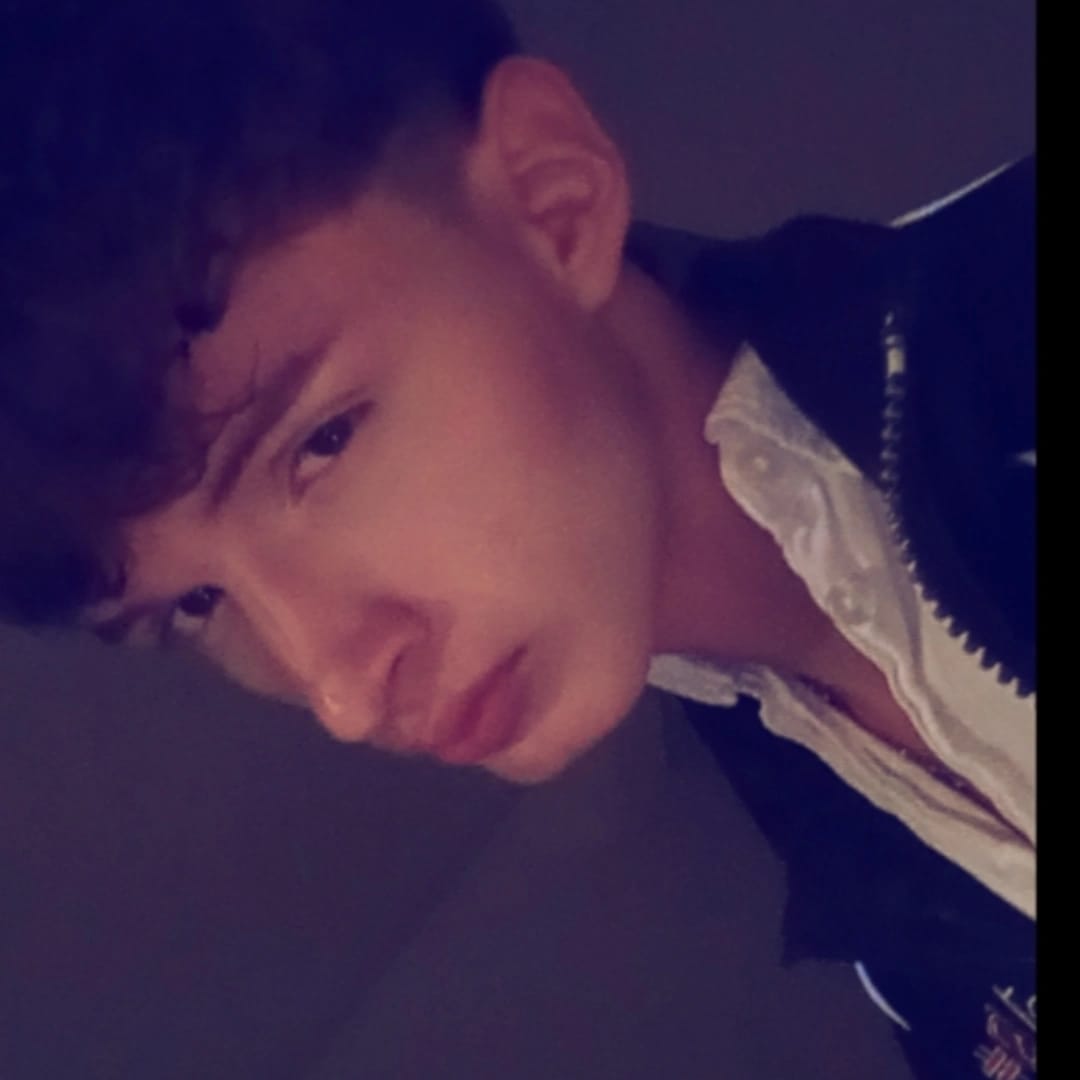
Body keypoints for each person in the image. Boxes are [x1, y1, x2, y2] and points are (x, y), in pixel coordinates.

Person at [0, 1, 1033, 1076]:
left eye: (321, 442)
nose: (340, 689)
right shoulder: (824, 804)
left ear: (551, 201)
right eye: (194, 605)